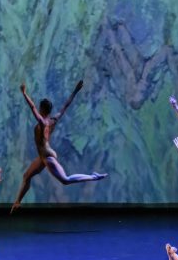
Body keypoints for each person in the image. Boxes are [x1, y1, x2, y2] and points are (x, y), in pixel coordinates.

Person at [11, 80, 107, 213]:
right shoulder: (53, 120)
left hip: (47, 156)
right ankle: (17, 202)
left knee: (65, 180)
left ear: (42, 110)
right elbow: (65, 106)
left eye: (40, 109)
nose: (38, 110)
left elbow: (32, 107)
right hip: (43, 156)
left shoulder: (43, 122)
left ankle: (94, 177)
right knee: (26, 176)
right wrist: (75, 91)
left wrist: (24, 93)